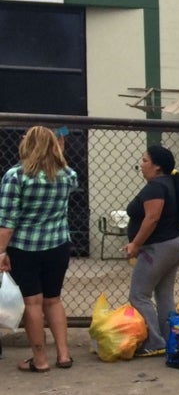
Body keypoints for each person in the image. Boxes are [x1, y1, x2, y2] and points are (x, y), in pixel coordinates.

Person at [0, 126, 78, 372]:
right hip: (58, 245)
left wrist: (1, 251)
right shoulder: (67, 174)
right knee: (53, 300)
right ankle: (64, 355)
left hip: (25, 248)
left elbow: (7, 222)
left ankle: (40, 360)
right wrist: (59, 153)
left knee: (33, 303)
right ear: (55, 145)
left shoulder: (15, 176)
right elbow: (63, 172)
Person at [125, 145, 179, 357]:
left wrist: (135, 244)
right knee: (164, 296)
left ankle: (154, 341)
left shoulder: (156, 187)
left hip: (158, 247)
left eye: (145, 161)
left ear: (157, 166)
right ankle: (169, 338)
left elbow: (152, 218)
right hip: (172, 243)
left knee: (139, 294)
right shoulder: (169, 183)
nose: (141, 165)